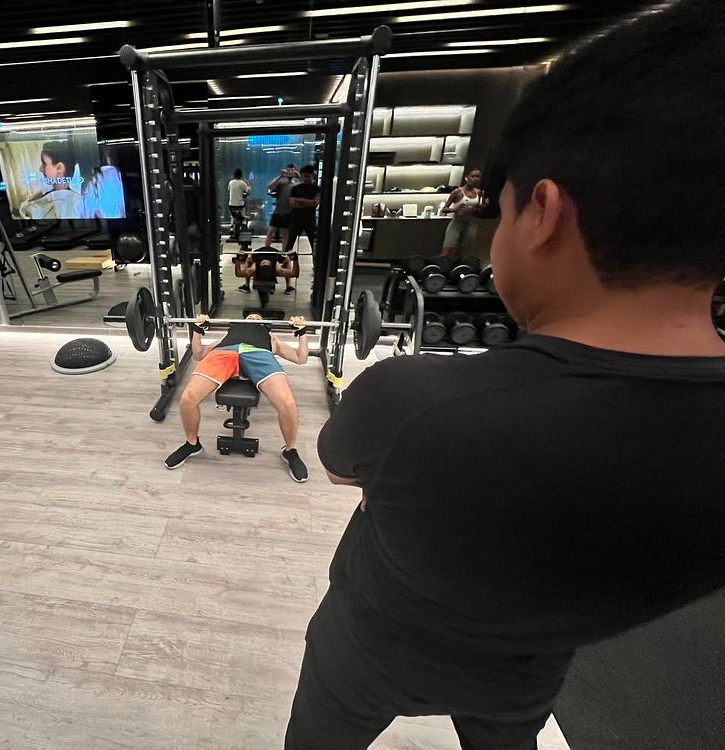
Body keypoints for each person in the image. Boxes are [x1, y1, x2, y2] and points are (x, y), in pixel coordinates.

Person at [286, 1, 725, 748]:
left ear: (543, 210)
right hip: (525, 677)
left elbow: (338, 468)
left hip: (370, 651)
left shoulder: (411, 401)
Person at [164, 312, 310, 483]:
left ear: (264, 323)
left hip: (259, 355)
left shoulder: (270, 337)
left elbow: (301, 358)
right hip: (223, 354)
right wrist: (197, 329)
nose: (253, 318)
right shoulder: (229, 334)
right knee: (188, 399)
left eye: (258, 318)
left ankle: (290, 451)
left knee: (288, 404)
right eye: (250, 317)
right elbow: (198, 353)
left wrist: (302, 332)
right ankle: (192, 444)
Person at [255, 163, 300, 295]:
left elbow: (304, 188)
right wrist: (280, 176)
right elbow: (270, 187)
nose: (290, 172)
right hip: (278, 212)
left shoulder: (297, 183)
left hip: (289, 213)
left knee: (286, 235)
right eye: (289, 170)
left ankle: (284, 253)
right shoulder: (281, 181)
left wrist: (298, 176)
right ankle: (266, 250)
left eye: (292, 170)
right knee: (270, 232)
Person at [18, 141, 85, 220]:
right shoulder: (48, 193)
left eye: (44, 163)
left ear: (59, 168)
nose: (40, 169)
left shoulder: (68, 208)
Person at [284, 166, 321, 290]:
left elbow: (315, 203)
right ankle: (286, 274)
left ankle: (317, 274)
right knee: (289, 247)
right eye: (304, 176)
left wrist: (300, 200)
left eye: (308, 176)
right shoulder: (295, 188)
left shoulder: (316, 188)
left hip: (310, 221)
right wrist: (307, 202)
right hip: (296, 221)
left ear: (312, 176)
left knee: (314, 247)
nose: (306, 178)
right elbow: (292, 204)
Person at [440, 168, 485, 258]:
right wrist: (455, 210)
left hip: (471, 224)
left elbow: (480, 211)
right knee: (447, 251)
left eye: (478, 177)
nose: (475, 179)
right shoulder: (457, 192)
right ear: (466, 177)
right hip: (456, 224)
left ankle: (458, 266)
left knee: (461, 253)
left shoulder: (480, 193)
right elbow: (444, 209)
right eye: (473, 176)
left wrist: (481, 207)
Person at [227, 168, 251, 239]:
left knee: (233, 216)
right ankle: (243, 222)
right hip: (240, 205)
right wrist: (248, 185)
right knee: (243, 210)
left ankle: (231, 228)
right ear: (241, 175)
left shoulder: (231, 182)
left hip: (231, 204)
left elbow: (229, 190)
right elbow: (247, 191)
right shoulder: (242, 183)